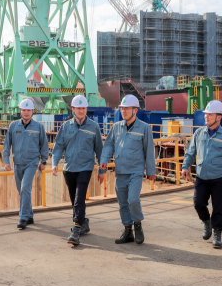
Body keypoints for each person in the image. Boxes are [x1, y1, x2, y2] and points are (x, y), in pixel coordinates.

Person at [181, 100, 222, 249]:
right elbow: (190, 152)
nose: (206, 117)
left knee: (218, 207)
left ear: (219, 117)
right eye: (206, 114)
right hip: (202, 177)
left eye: (210, 114)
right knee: (198, 203)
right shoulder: (199, 133)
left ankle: (217, 232)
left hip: (219, 178)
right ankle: (206, 222)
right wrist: (185, 166)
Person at [99, 94, 155, 245]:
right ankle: (128, 230)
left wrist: (151, 171)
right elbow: (109, 145)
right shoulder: (116, 127)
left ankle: (138, 226)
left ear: (135, 110)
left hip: (136, 171)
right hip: (120, 172)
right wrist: (104, 161)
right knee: (123, 203)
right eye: (122, 109)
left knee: (133, 200)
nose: (123, 111)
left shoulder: (144, 128)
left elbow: (149, 150)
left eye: (126, 109)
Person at [51, 95, 104, 245]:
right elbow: (58, 147)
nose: (81, 111)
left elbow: (100, 149)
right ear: (73, 109)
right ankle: (83, 222)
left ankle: (75, 230)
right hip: (69, 168)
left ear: (86, 109)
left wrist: (101, 170)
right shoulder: (66, 126)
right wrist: (55, 163)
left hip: (86, 167)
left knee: (79, 198)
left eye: (83, 108)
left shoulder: (93, 127)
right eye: (78, 108)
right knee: (75, 199)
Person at [2, 98, 49, 230]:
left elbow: (44, 145)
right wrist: (6, 160)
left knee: (25, 189)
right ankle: (30, 215)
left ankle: (23, 218)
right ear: (20, 111)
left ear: (32, 111)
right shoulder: (13, 126)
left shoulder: (38, 127)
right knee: (21, 191)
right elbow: (7, 145)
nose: (26, 113)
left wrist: (43, 161)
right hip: (17, 163)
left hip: (32, 162)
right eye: (24, 110)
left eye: (28, 110)